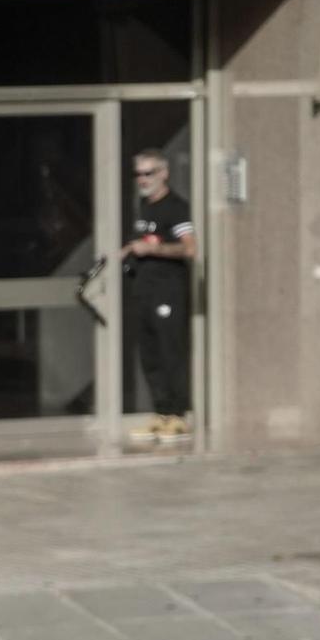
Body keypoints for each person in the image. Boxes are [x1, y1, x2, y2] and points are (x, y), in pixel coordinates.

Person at [122, 148, 196, 437]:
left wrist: (154, 249)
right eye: (138, 174)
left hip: (169, 291)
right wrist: (127, 250)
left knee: (170, 351)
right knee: (149, 354)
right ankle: (162, 411)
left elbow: (189, 248)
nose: (142, 179)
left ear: (164, 173)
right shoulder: (144, 207)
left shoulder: (175, 207)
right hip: (144, 291)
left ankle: (178, 413)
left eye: (148, 173)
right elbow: (142, 239)